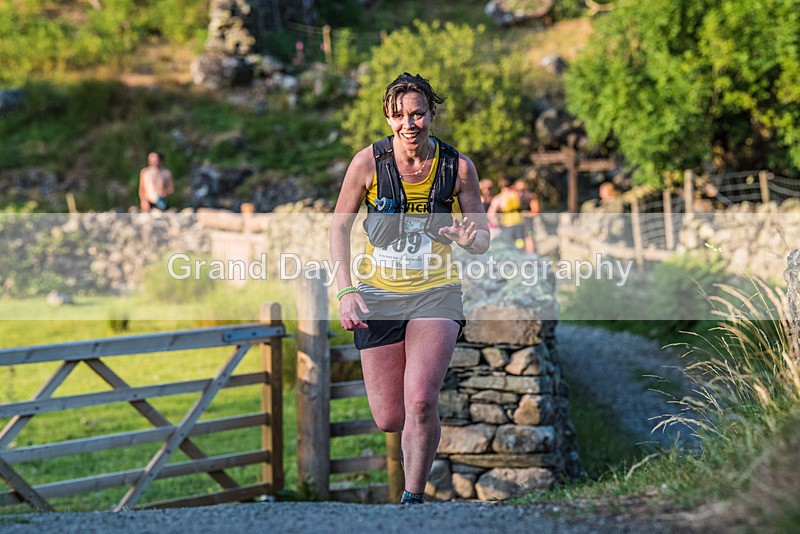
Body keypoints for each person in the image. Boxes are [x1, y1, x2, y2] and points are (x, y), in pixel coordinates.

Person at [330, 73, 490, 505]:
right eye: (400, 115)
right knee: (390, 417)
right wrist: (345, 291)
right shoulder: (367, 163)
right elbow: (338, 229)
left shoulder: (458, 168)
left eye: (418, 113)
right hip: (378, 295)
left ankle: (412, 501)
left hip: (435, 293)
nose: (409, 123)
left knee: (420, 401)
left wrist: (465, 238)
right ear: (388, 115)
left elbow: (482, 240)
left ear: (432, 114)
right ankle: (412, 474)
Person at [487, 177, 539, 253]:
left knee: (508, 245)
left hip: (506, 224)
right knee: (521, 244)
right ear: (512, 185)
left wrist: (497, 224)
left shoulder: (498, 198)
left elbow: (490, 214)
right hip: (519, 222)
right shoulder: (518, 194)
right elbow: (531, 196)